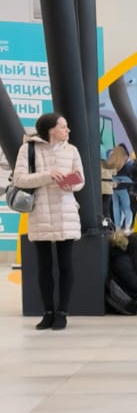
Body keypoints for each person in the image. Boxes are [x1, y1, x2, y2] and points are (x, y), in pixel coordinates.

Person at [11, 111, 84, 329]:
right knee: (44, 266)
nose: (68, 130)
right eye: (63, 126)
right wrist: (48, 175)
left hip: (65, 211)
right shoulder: (28, 149)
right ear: (51, 130)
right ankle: (48, 312)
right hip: (40, 212)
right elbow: (19, 179)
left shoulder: (72, 150)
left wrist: (70, 183)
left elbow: (81, 180)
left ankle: (62, 312)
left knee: (65, 264)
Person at [110, 144, 136, 231]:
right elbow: (130, 179)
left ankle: (117, 227)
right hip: (123, 189)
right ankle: (127, 227)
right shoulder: (127, 165)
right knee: (126, 208)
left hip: (114, 189)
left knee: (116, 208)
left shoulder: (113, 161)